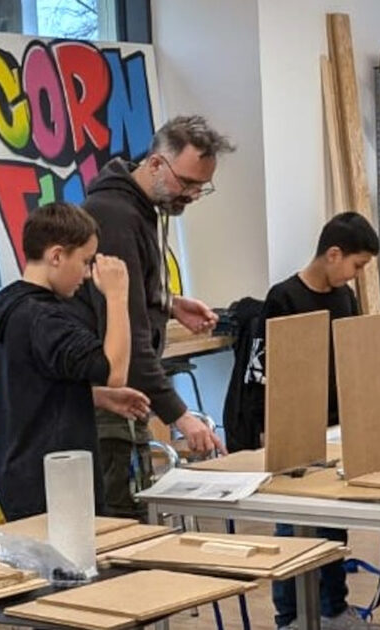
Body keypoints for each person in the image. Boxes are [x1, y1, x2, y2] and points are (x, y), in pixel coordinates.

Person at [78, 115, 235, 518]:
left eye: (202, 187)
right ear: (154, 164)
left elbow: (129, 289)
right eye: (187, 183)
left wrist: (169, 302)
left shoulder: (142, 207)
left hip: (126, 395)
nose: (193, 195)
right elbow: (125, 325)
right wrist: (180, 416)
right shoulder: (114, 215)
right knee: (120, 524)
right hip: (109, 398)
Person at [248, 212, 380, 630]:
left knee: (333, 525)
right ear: (333, 254)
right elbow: (264, 369)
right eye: (356, 266)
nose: (357, 275)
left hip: (337, 424)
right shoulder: (283, 297)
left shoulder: (345, 298)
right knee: (294, 527)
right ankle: (291, 615)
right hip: (296, 426)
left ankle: (333, 608)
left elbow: (353, 355)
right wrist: (270, 433)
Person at [0, 202, 150, 521]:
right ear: (57, 256)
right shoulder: (44, 319)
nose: (87, 275)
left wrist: (97, 397)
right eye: (85, 262)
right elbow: (115, 371)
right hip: (51, 485)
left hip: (27, 477)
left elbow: (34, 390)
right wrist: (116, 297)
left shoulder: (18, 309)